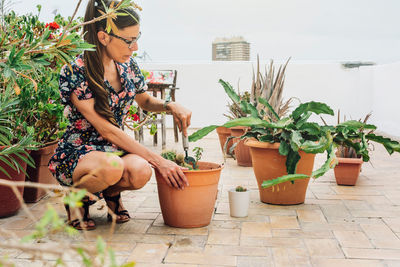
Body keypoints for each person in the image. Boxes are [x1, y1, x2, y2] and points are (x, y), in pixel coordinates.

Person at [48, 0, 191, 230]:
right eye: (128, 40)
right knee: (113, 166)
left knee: (141, 170)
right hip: (79, 152)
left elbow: (144, 100)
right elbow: (105, 129)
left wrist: (169, 105)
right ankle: (76, 199)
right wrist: (159, 160)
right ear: (104, 37)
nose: (134, 47)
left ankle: (111, 194)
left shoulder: (127, 66)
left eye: (137, 38)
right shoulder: (75, 71)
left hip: (112, 151)